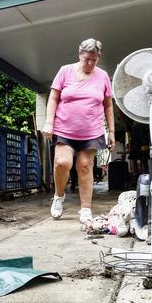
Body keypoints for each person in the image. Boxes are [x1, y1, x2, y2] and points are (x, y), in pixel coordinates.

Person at [42, 38, 115, 224]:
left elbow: (108, 105)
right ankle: (59, 196)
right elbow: (53, 98)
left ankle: (85, 209)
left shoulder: (103, 76)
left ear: (98, 57)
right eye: (86, 59)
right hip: (64, 129)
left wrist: (112, 132)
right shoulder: (65, 71)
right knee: (62, 163)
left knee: (84, 166)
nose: (90, 63)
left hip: (91, 132)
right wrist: (49, 123)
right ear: (79, 55)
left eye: (94, 59)